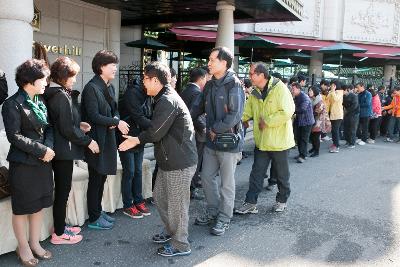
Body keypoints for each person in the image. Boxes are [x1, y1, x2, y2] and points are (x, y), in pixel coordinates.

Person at [119, 61, 197, 257]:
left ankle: (181, 244)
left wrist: (136, 140)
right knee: (161, 198)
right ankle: (173, 231)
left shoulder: (167, 100)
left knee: (177, 205)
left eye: (145, 79)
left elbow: (155, 132)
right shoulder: (162, 97)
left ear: (155, 80)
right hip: (169, 160)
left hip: (179, 162)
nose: (143, 83)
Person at [2, 59, 54, 266]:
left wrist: (49, 149)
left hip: (43, 163)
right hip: (23, 164)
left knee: (38, 205)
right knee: (22, 208)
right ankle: (22, 246)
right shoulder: (12, 104)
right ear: (30, 81)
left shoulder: (40, 101)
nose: (46, 83)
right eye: (43, 79)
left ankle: (35, 243)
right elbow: (14, 136)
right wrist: (42, 150)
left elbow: (48, 128)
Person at [44, 57, 99, 244]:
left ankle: (59, 226)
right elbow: (66, 128)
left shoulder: (56, 93)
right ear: (63, 76)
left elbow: (64, 123)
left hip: (59, 149)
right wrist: (87, 141)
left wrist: (79, 124)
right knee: (62, 191)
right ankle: (59, 234)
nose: (74, 80)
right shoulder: (60, 95)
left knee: (62, 190)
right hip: (62, 151)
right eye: (72, 76)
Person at [191, 46, 244, 236]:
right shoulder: (211, 84)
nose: (209, 63)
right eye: (209, 59)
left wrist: (213, 129)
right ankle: (213, 210)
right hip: (212, 140)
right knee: (206, 177)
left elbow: (235, 115)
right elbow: (198, 107)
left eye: (212, 60)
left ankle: (224, 216)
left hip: (228, 141)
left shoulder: (234, 85)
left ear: (224, 63)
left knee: (227, 183)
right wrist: (189, 120)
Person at [235, 62, 295, 214]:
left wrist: (267, 121)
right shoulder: (255, 92)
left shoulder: (280, 88)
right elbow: (246, 112)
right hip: (262, 142)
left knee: (282, 175)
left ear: (261, 75)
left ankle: (282, 200)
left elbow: (288, 111)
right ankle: (250, 202)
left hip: (279, 142)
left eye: (251, 74)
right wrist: (234, 119)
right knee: (256, 173)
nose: (249, 77)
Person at [81, 50, 130, 230]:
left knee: (101, 178)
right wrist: (115, 122)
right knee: (95, 178)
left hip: (107, 137)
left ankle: (98, 211)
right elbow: (93, 116)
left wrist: (114, 120)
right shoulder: (91, 88)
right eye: (112, 65)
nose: (115, 68)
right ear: (101, 66)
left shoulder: (109, 86)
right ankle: (94, 217)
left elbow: (115, 110)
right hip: (96, 140)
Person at [118, 77, 152, 219]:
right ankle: (128, 205)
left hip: (139, 138)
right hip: (126, 138)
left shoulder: (148, 94)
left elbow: (149, 114)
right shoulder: (132, 93)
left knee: (138, 171)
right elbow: (138, 117)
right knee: (130, 172)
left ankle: (138, 200)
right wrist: (157, 126)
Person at [180, 67, 208, 200]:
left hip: (185, 131)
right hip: (196, 132)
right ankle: (192, 188)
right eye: (206, 77)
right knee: (195, 161)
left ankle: (192, 185)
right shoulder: (197, 92)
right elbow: (194, 114)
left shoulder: (185, 90)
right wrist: (203, 127)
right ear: (201, 78)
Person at [291, 82, 314, 163]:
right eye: (291, 89)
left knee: (304, 139)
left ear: (298, 89)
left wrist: (291, 110)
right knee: (298, 138)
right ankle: (301, 153)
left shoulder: (305, 97)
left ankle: (303, 156)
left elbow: (302, 109)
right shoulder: (296, 97)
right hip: (299, 121)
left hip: (307, 121)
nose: (292, 91)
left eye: (293, 89)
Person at [308, 86, 330, 157]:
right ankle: (314, 148)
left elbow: (317, 112)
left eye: (311, 91)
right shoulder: (312, 99)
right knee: (313, 136)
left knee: (316, 136)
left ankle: (316, 151)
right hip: (314, 120)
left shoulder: (319, 101)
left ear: (315, 92)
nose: (309, 92)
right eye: (309, 91)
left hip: (319, 121)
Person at [327, 80, 343, 153]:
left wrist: (332, 91)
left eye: (333, 85)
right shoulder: (332, 92)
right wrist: (331, 92)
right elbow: (327, 99)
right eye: (331, 85)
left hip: (338, 114)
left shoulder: (340, 92)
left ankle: (336, 146)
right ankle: (334, 143)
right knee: (333, 130)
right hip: (332, 114)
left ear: (336, 85)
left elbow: (336, 99)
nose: (331, 86)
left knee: (335, 131)